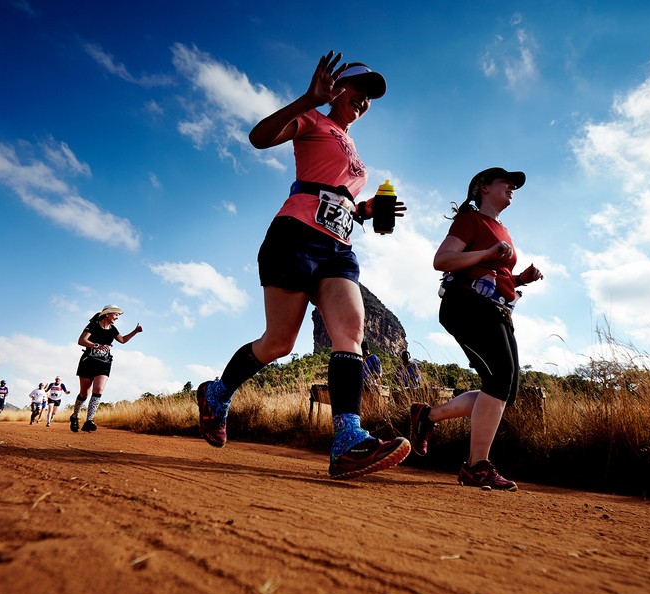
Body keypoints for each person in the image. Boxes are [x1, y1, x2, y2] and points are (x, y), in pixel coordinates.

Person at [196, 51, 411, 480]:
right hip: (294, 237)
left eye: (371, 96)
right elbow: (259, 138)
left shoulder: (352, 146)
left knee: (351, 331)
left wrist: (368, 210)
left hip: (338, 247)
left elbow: (339, 199)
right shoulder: (313, 120)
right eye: (359, 89)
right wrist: (306, 100)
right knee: (279, 342)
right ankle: (218, 394)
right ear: (336, 88)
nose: (364, 100)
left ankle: (348, 439)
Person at [409, 167, 543, 491]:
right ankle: (476, 467)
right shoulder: (470, 219)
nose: (513, 186)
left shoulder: (503, 230)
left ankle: (427, 417)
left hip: (496, 308)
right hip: (467, 303)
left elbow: (493, 272)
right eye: (505, 180)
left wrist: (520, 279)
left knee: (504, 392)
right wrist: (487, 252)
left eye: (515, 184)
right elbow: (442, 260)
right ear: (483, 186)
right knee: (499, 379)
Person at [70, 304, 142, 433]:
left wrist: (135, 332)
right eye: (116, 315)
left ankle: (89, 420)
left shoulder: (113, 329)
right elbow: (81, 341)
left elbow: (123, 340)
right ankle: (75, 416)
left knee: (98, 389)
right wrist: (96, 345)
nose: (117, 317)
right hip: (88, 361)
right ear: (108, 314)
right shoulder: (93, 325)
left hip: (104, 362)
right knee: (84, 393)